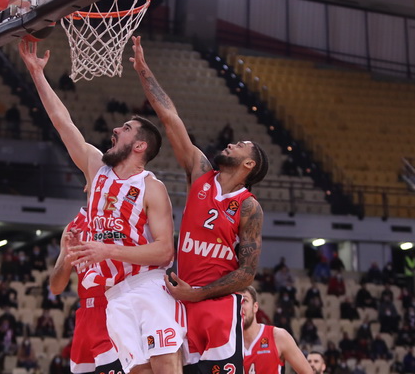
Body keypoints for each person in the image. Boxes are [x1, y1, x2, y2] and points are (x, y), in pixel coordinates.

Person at [19, 36, 184, 374]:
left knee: (165, 364)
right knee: (137, 371)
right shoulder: (96, 168)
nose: (115, 129)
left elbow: (164, 251)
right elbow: (62, 122)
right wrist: (37, 74)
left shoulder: (152, 188)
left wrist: (107, 251)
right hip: (114, 295)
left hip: (148, 284)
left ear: (139, 146)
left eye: (126, 129)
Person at [131, 35, 266, 373]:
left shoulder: (248, 207)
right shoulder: (201, 172)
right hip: (181, 304)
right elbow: (170, 118)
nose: (231, 144)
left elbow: (247, 272)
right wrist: (144, 70)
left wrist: (199, 293)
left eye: (240, 146)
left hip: (216, 307)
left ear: (249, 164)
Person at [49, 208, 122, 374]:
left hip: (111, 309)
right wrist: (68, 259)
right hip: (85, 314)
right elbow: (55, 287)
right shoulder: (72, 228)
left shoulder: (119, 218)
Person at [241, 286, 312, 374]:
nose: (240, 306)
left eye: (244, 301)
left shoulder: (278, 336)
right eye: (236, 302)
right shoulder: (228, 343)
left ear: (255, 307)